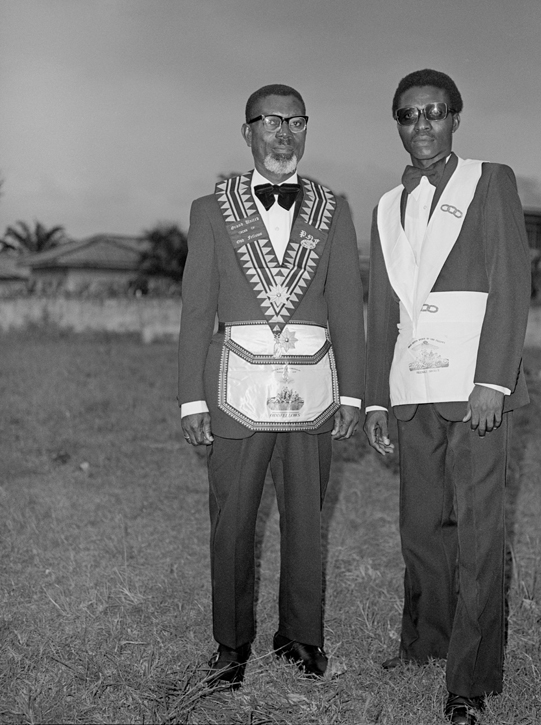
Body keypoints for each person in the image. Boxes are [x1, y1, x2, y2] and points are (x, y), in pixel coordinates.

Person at [179, 83, 365, 689]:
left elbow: (346, 306)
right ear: (248, 132)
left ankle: (301, 637)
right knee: (232, 520)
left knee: (306, 519)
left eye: (295, 122)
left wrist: (355, 392)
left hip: (314, 390)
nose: (283, 133)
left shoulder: (333, 209)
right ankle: (231, 646)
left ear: (307, 130)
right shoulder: (212, 210)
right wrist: (190, 395)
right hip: (234, 389)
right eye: (270, 122)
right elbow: (195, 308)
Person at [364, 69, 530, 724]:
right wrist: (375, 398)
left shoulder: (490, 181)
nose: (421, 124)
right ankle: (425, 640)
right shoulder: (384, 206)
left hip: (472, 389)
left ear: (455, 117)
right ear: (399, 125)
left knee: (478, 533)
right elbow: (382, 312)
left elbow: (509, 282)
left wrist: (492, 380)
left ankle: (469, 678)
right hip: (411, 389)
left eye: (433, 111)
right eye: (407, 115)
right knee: (420, 527)